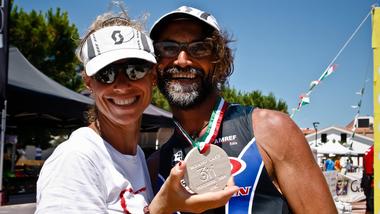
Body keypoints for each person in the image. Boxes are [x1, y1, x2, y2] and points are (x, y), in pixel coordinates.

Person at [35, 12, 238, 214]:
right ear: (89, 82)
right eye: (107, 74)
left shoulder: (137, 157)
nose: (122, 86)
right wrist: (162, 207)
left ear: (152, 75)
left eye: (135, 70)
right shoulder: (76, 159)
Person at [148, 6, 337, 213]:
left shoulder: (272, 131)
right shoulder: (155, 165)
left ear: (219, 61)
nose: (182, 60)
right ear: (155, 66)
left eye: (199, 48)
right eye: (168, 48)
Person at [361, 145, 374, 213]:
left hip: (367, 180)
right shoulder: (374, 150)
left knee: (369, 207)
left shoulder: (370, 149)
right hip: (371, 183)